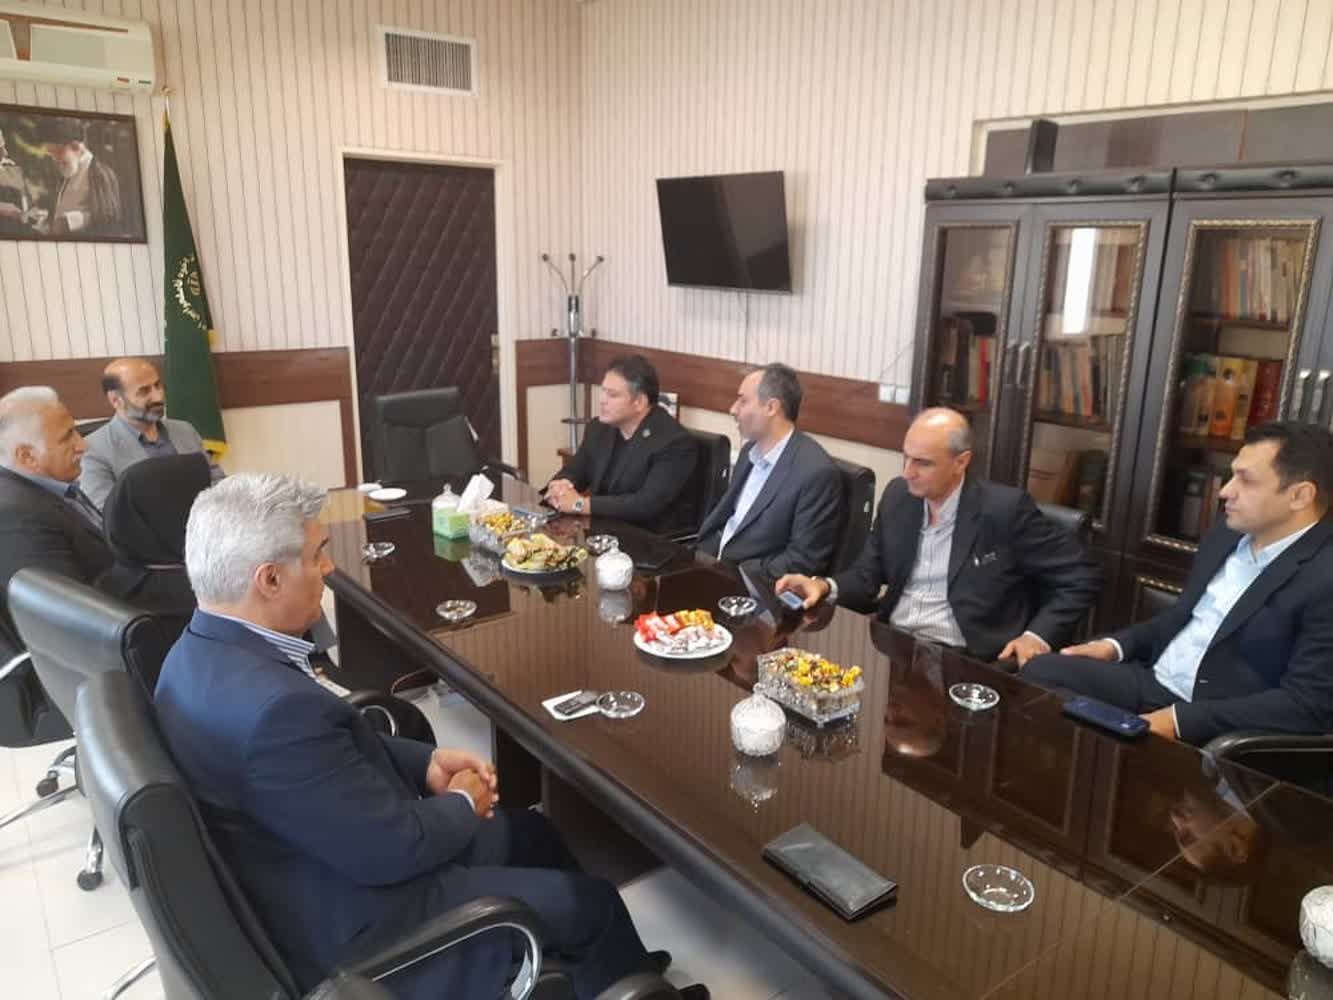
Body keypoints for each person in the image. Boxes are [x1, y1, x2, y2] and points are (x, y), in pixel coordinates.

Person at [154, 474, 705, 1000]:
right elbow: (393, 850)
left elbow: (326, 754)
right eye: (317, 555)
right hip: (370, 925)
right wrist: (463, 802)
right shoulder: (274, 715)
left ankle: (605, 969)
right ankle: (617, 973)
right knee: (595, 904)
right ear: (269, 579)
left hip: (324, 857)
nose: (328, 567)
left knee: (533, 831)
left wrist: (427, 762)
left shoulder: (191, 656)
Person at [1023, 421, 1333, 747]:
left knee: (1096, 740)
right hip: (1155, 683)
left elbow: (1306, 704)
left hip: (1221, 722)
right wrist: (1115, 646)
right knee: (1038, 675)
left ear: (1300, 496)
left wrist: (1178, 721)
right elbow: (1182, 617)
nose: (1226, 491)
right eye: (1231, 476)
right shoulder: (1228, 533)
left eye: (1246, 480)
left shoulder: (1324, 575)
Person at [776, 407, 1100, 663]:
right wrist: (822, 585)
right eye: (906, 457)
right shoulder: (899, 497)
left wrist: (1036, 637)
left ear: (961, 462)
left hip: (968, 659)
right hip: (894, 648)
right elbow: (866, 576)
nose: (907, 472)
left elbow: (1081, 575)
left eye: (923, 463)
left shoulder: (1004, 511)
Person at [696, 364, 843, 578]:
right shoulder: (749, 452)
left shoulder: (815, 473)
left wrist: (735, 572)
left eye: (743, 401)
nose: (733, 409)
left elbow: (802, 561)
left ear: (771, 407)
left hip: (752, 584)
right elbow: (727, 522)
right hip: (709, 566)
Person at [0, 386, 112, 649]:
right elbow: (69, 618)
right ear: (27, 456)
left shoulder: (53, 487)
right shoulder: (17, 516)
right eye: (67, 437)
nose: (83, 445)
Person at [546, 355, 698, 534]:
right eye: (603, 391)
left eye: (612, 395)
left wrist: (580, 504)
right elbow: (575, 470)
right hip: (602, 532)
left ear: (639, 402)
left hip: (647, 539)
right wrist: (561, 486)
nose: (602, 400)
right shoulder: (599, 428)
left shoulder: (674, 443)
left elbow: (646, 504)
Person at [80, 356, 224, 508]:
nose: (158, 396)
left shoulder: (185, 430)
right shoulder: (94, 450)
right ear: (116, 400)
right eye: (144, 391)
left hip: (202, 519)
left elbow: (217, 483)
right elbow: (103, 511)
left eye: (158, 385)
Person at [45, 130, 122, 237]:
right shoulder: (69, 170)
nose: (55, 159)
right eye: (52, 154)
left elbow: (108, 216)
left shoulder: (100, 173)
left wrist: (69, 221)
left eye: (58, 152)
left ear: (75, 146)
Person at [0, 126, 34, 237]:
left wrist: (30, 213)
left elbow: (26, 202)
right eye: (0, 149)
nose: (5, 153)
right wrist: (4, 208)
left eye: (4, 146)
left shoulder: (12, 168)